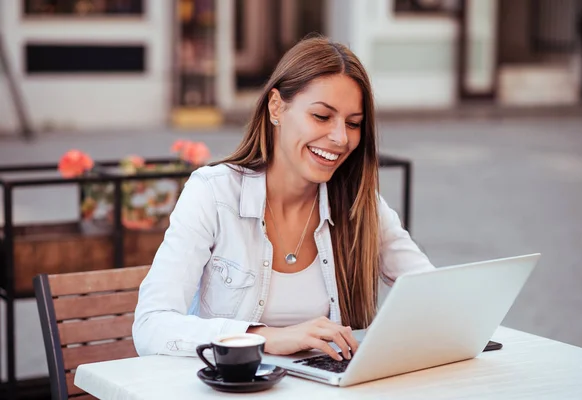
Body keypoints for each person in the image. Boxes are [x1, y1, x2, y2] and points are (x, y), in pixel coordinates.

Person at [133, 36, 434, 362]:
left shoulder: (360, 204)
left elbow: (435, 293)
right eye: (321, 116)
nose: (340, 138)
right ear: (277, 107)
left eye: (353, 123)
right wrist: (263, 338)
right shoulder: (214, 193)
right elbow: (151, 325)